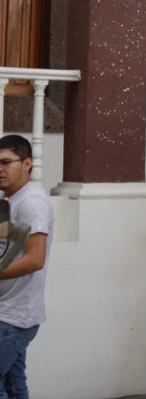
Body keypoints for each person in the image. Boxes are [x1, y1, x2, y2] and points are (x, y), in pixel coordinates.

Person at [0, 135, 53, 397]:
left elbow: (35, 258)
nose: (0, 169)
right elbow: (7, 246)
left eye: (6, 162)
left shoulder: (32, 202)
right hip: (8, 312)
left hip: (13, 317)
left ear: (27, 163)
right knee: (13, 385)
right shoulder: (9, 199)